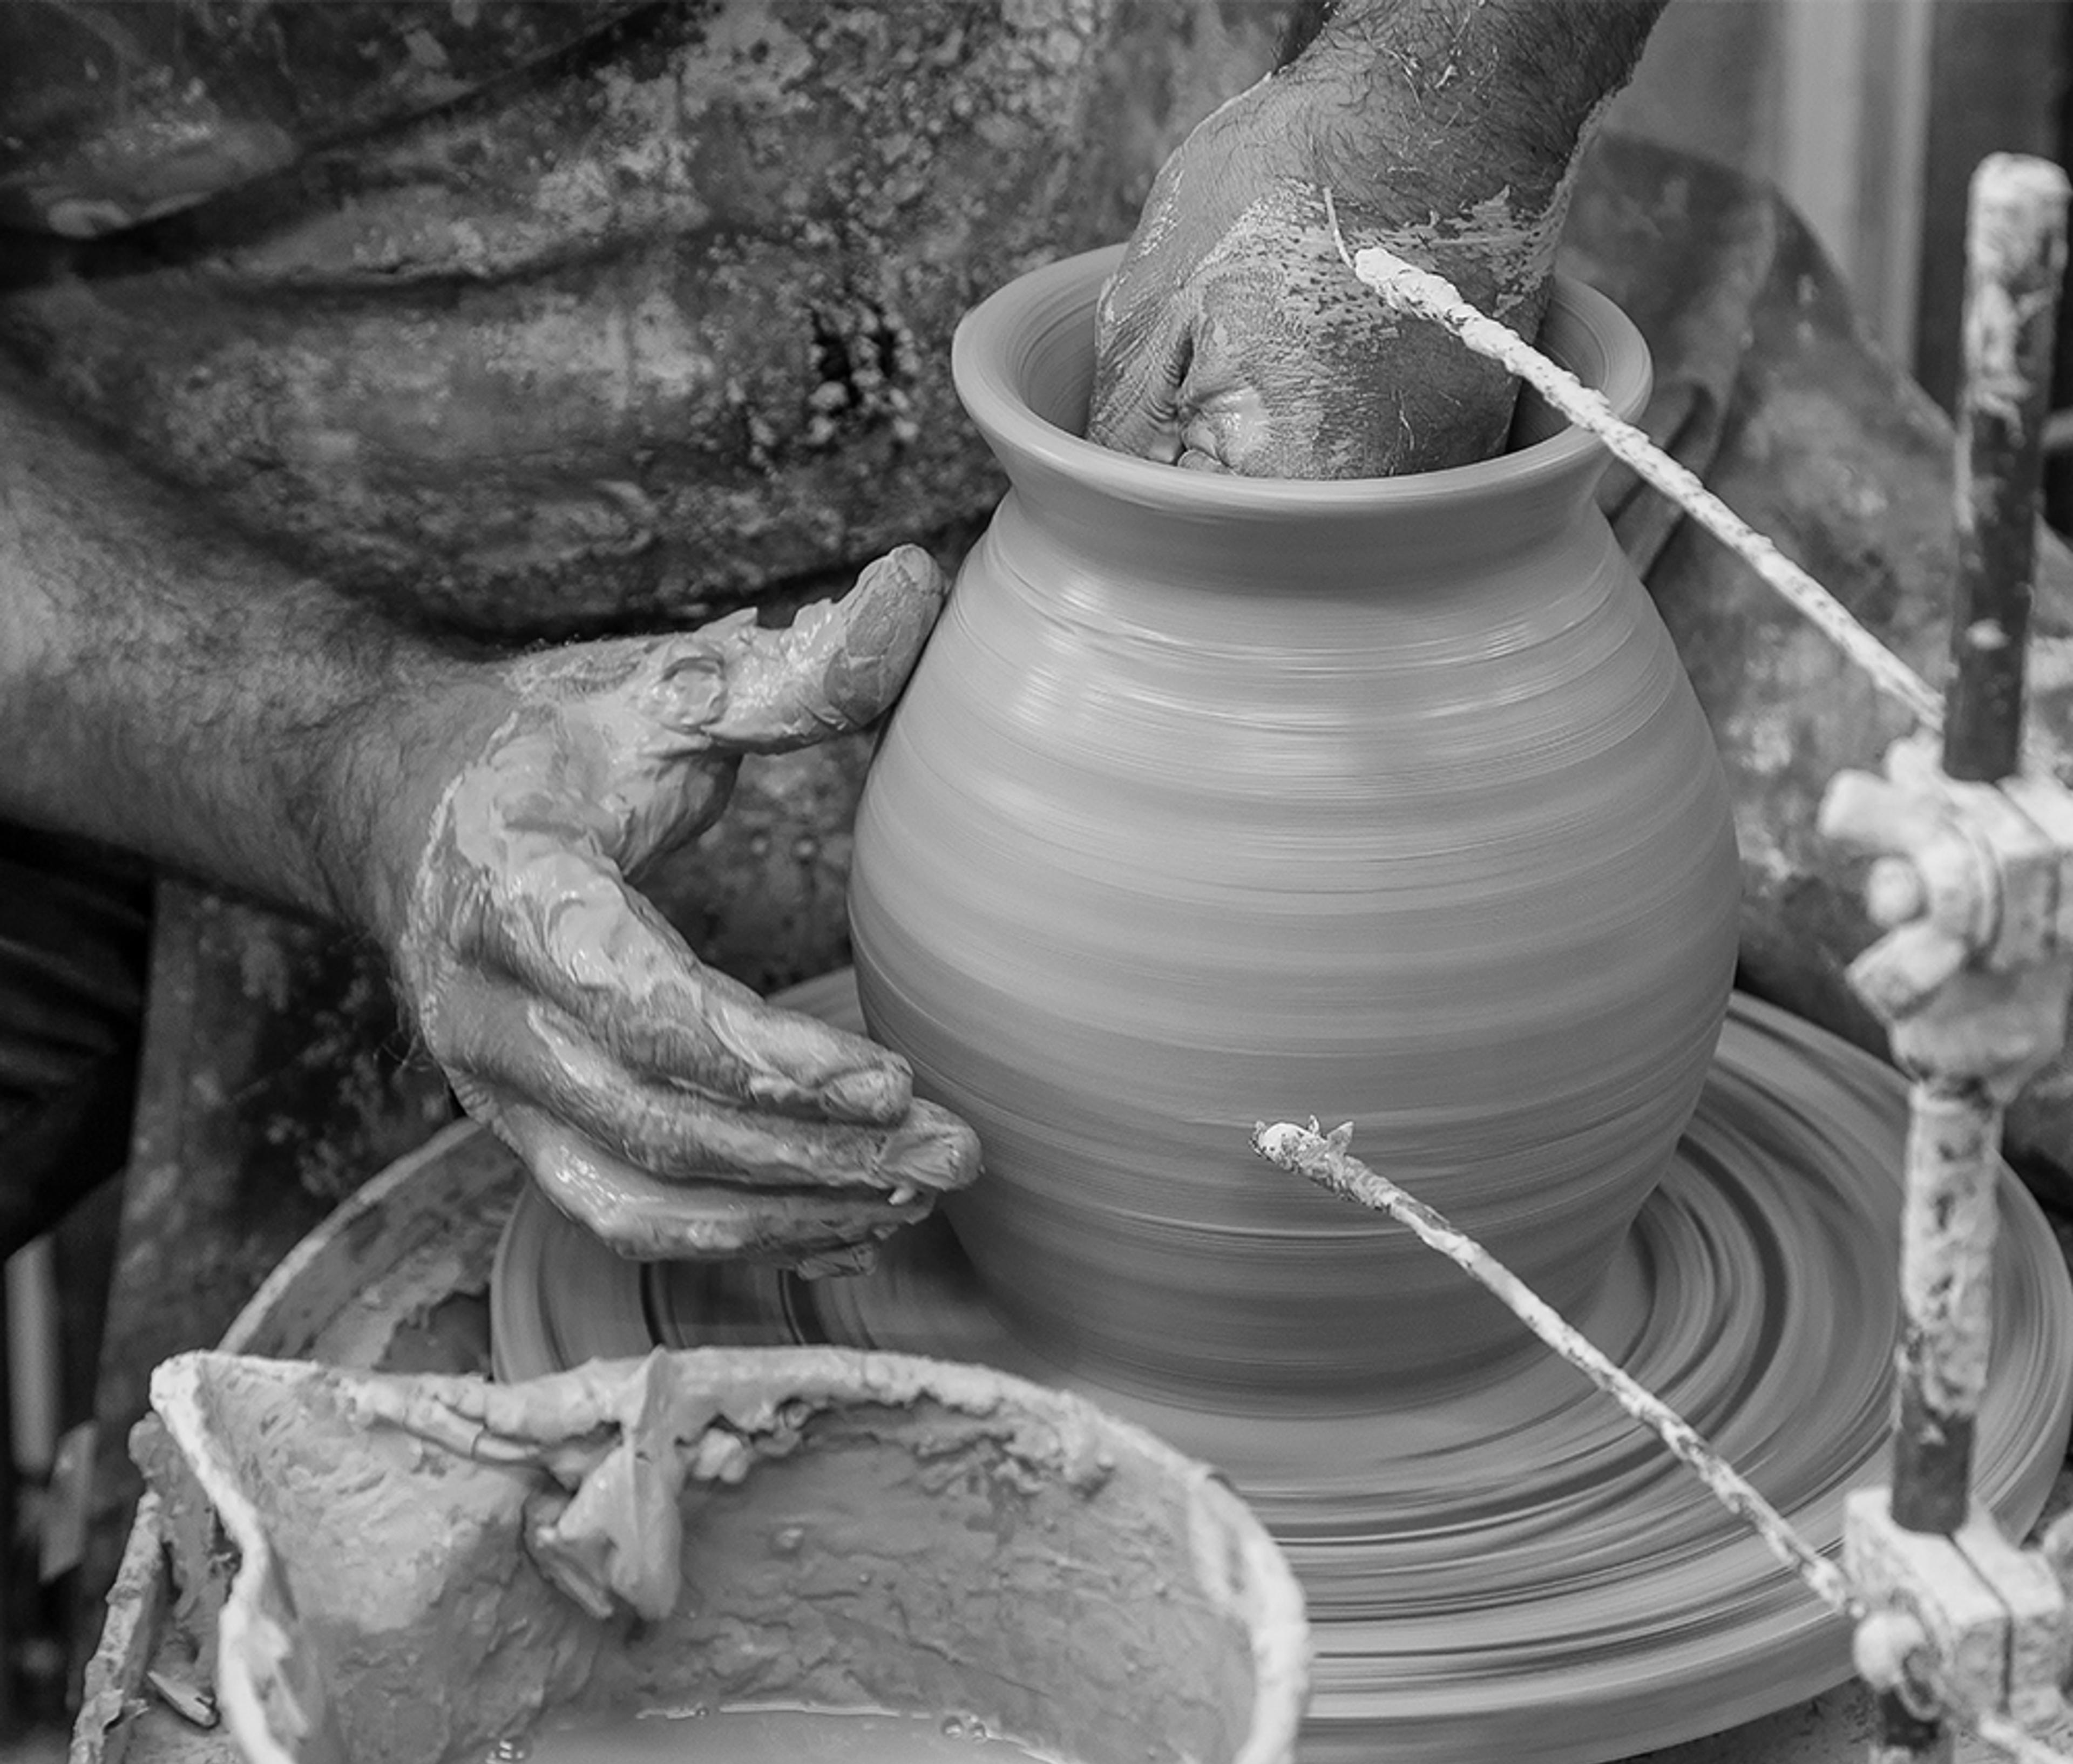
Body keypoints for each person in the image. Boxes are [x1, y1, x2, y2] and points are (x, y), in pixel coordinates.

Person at [6, 0, 2068, 1292]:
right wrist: (358, 764)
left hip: (1406, 314)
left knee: (2024, 912)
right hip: (370, 614)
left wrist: (1459, 88)